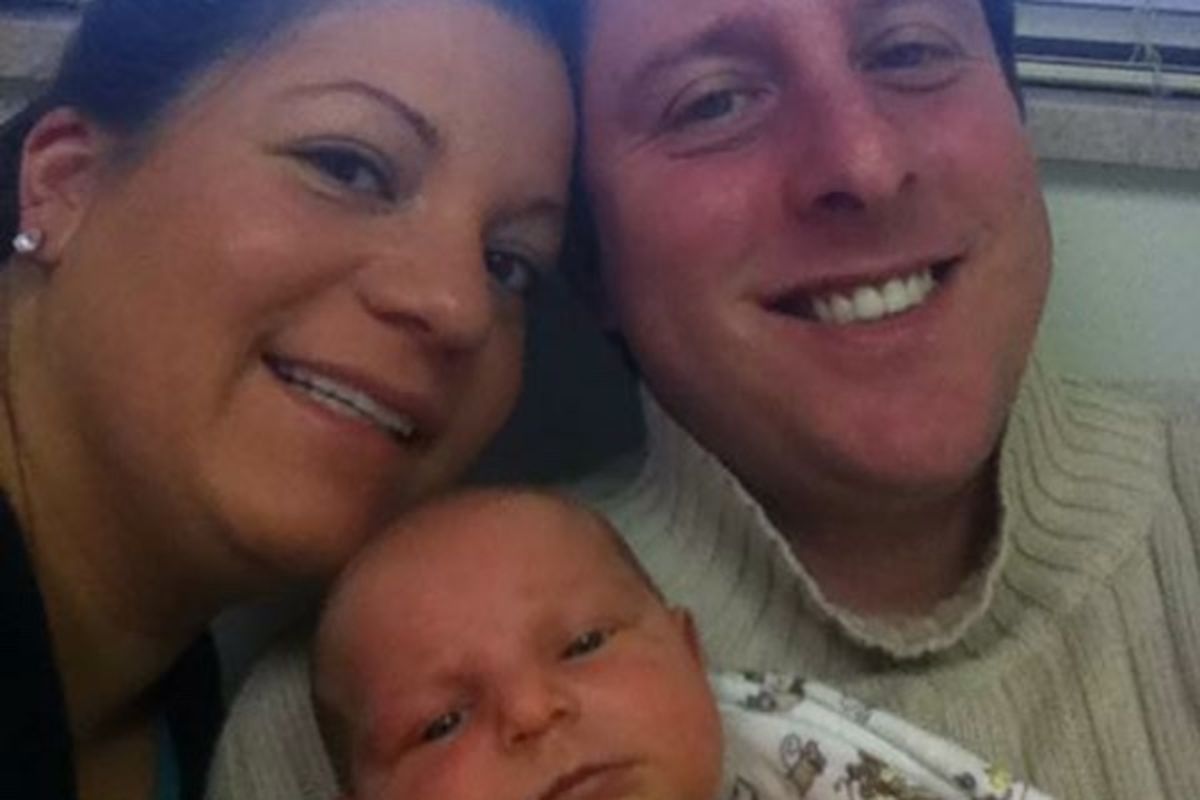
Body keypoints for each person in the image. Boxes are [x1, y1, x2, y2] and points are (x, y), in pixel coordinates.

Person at [212, 0, 1200, 797]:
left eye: (909, 50)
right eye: (713, 102)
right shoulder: (357, 708)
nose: (862, 163)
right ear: (589, 261)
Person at [0, 0, 573, 796]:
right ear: (66, 181)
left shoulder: (182, 715)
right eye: (348, 167)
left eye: (509, 264)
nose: (460, 306)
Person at [303, 489, 1050, 800]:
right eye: (440, 723)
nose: (530, 712)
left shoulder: (801, 761)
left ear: (691, 657)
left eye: (584, 644)